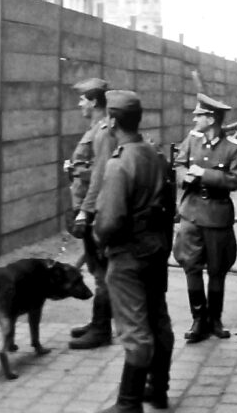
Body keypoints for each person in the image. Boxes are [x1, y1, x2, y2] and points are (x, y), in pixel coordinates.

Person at [93, 90, 175, 412]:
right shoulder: (154, 155)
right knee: (158, 321)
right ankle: (158, 390)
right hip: (155, 250)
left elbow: (110, 220)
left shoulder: (119, 163)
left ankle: (128, 404)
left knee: (135, 330)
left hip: (127, 255)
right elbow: (168, 208)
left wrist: (100, 241)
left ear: (113, 121)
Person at [172, 92, 237, 343]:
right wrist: (185, 177)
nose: (194, 118)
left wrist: (203, 173)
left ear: (212, 118)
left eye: (199, 115)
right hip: (191, 214)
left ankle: (214, 319)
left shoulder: (234, 148)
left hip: (217, 216)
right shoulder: (192, 140)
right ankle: (198, 319)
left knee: (217, 269)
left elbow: (234, 180)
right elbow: (179, 165)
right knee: (190, 266)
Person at [65, 77, 118, 350]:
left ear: (95, 101)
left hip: (96, 210)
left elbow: (102, 175)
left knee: (101, 273)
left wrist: (85, 212)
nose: (79, 103)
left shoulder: (104, 131)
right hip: (90, 205)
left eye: (83, 98)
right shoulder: (97, 129)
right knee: (98, 269)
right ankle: (98, 322)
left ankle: (101, 329)